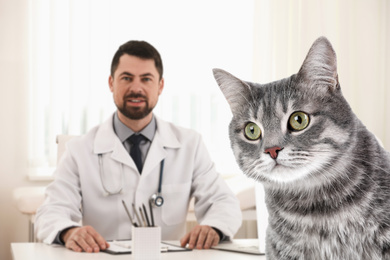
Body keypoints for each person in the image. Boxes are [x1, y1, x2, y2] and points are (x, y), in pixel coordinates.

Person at [34, 40, 242, 253]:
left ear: (160, 86)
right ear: (111, 83)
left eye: (146, 79)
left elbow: (224, 203)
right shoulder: (79, 150)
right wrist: (69, 231)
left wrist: (213, 227)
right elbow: (51, 211)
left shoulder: (190, 144)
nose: (136, 88)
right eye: (126, 78)